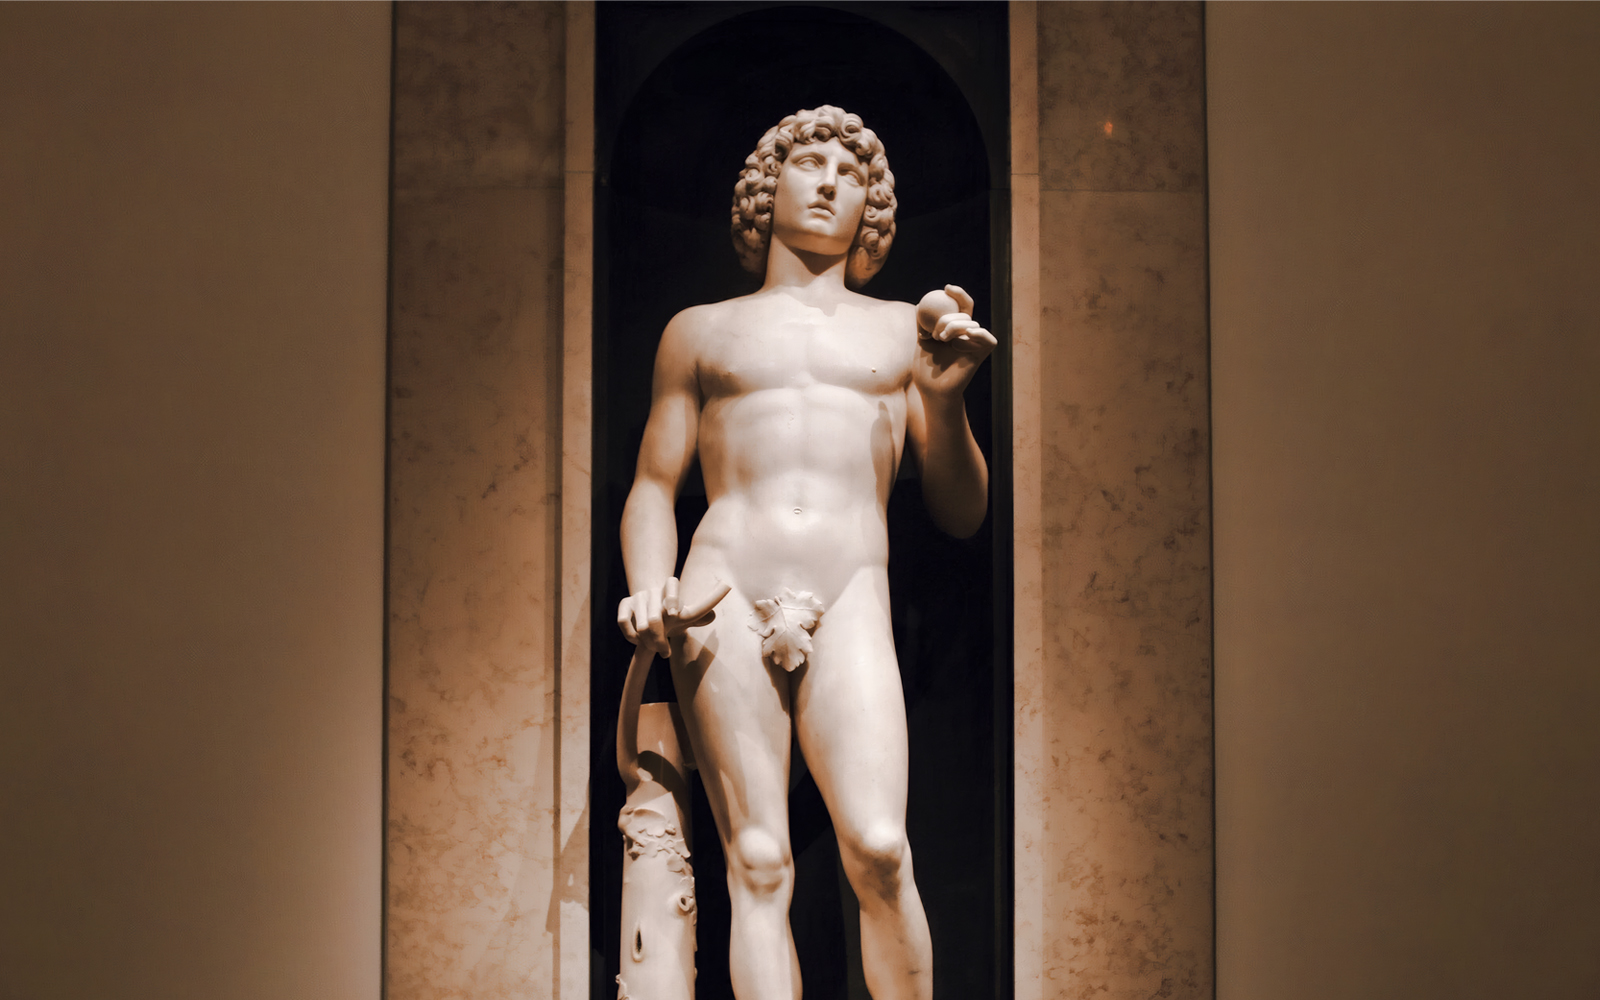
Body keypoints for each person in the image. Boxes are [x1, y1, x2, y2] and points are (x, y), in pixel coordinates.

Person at [616, 105, 995, 1000]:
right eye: (809, 162)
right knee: (756, 858)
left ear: (874, 207)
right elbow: (652, 485)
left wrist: (943, 403)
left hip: (850, 589)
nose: (830, 181)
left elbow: (961, 512)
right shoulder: (701, 330)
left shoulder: (906, 329)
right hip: (721, 590)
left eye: (853, 173)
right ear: (765, 186)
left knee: (878, 845)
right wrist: (646, 586)